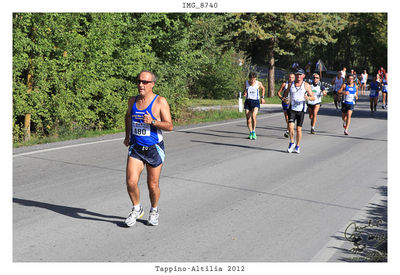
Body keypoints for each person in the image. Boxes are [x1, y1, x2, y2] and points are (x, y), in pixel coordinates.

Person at [123, 70, 173, 227]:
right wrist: (127, 136)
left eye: (145, 82)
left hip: (154, 148)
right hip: (136, 148)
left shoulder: (160, 102)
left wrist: (153, 121)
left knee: (152, 185)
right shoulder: (133, 101)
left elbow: (170, 126)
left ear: (152, 84)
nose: (140, 85)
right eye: (139, 81)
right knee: (131, 182)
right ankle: (137, 208)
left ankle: (154, 210)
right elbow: (127, 116)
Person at [283, 68, 315, 153]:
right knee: (290, 126)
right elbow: (286, 94)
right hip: (292, 109)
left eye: (300, 74)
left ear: (303, 76)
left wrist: (308, 98)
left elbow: (313, 97)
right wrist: (286, 99)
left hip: (301, 110)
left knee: (298, 129)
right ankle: (291, 142)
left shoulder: (306, 85)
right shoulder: (291, 84)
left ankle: (297, 146)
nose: (299, 76)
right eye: (297, 74)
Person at [243, 72, 265, 140]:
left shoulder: (258, 83)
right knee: (248, 119)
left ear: (255, 78)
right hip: (248, 101)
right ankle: (250, 132)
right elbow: (245, 90)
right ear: (249, 78)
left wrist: (262, 97)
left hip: (255, 101)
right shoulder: (246, 82)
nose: (252, 81)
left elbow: (263, 88)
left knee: (254, 116)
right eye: (251, 79)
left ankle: (254, 131)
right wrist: (244, 93)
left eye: (253, 79)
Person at [277, 73, 295, 138]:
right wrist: (282, 98)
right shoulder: (285, 84)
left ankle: (288, 130)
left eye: (292, 77)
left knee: (291, 116)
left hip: (293, 102)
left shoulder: (296, 85)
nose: (291, 79)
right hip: (285, 102)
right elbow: (278, 93)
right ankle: (289, 129)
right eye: (290, 77)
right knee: (287, 117)